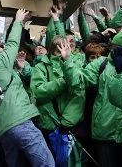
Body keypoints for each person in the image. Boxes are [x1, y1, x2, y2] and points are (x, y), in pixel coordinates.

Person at [0, 9, 55, 167]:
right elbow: (13, 43)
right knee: (46, 164)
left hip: (2, 128)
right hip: (20, 121)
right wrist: (18, 21)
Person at [79, 30, 122, 167]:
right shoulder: (102, 63)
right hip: (105, 128)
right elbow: (79, 81)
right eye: (113, 48)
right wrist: (66, 62)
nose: (115, 51)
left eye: (121, 49)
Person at [30, 35, 85, 164]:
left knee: (74, 160)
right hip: (49, 126)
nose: (62, 54)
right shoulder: (40, 67)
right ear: (51, 51)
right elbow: (38, 93)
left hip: (71, 125)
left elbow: (79, 96)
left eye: (64, 49)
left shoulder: (76, 64)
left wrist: (66, 123)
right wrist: (64, 81)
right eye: (58, 51)